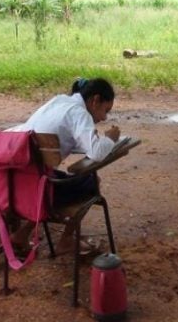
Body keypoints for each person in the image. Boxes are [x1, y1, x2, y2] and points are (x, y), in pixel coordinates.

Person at [13, 77, 120, 253]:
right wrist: (110, 139)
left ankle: (22, 234)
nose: (104, 117)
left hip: (21, 181)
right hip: (41, 188)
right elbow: (97, 153)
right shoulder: (79, 113)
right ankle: (67, 240)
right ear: (95, 100)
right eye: (105, 110)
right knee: (93, 182)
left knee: (58, 178)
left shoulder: (59, 101)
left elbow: (65, 138)